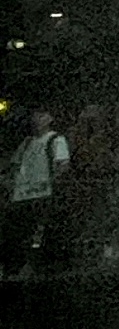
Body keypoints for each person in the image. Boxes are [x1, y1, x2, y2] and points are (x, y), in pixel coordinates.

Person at [5, 111, 70, 280]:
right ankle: (17, 267)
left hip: (42, 193)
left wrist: (51, 183)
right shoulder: (28, 142)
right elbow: (15, 164)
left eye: (41, 117)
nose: (37, 121)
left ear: (49, 119)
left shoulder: (55, 139)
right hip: (22, 194)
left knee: (38, 232)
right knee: (19, 232)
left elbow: (63, 165)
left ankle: (35, 266)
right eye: (35, 117)